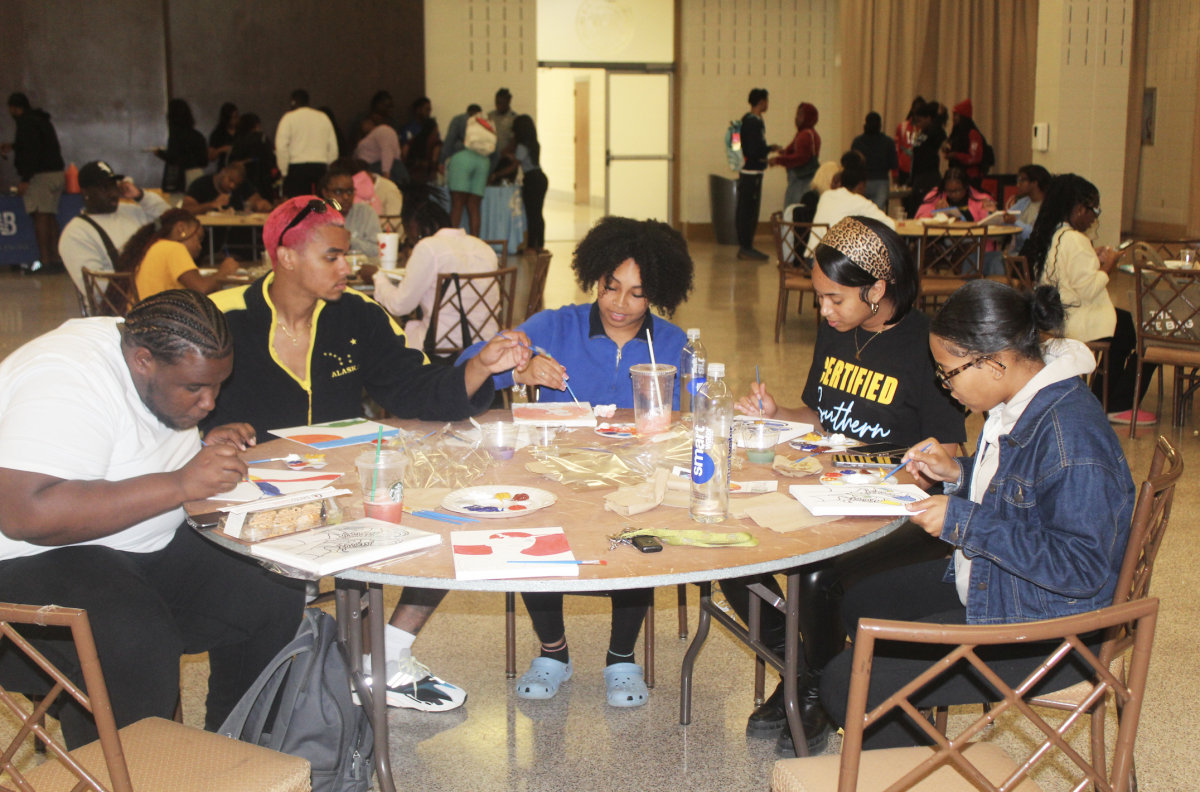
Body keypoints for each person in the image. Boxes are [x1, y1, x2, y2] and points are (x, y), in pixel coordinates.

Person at [204, 198, 529, 711]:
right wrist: (203, 433)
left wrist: (480, 367)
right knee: (253, 639)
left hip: (340, 495)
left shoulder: (356, 316)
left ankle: (388, 655)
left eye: (347, 256)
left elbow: (412, 388)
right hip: (248, 504)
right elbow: (166, 398)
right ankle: (253, 712)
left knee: (449, 521)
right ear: (286, 257)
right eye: (331, 257)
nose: (347, 268)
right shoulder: (221, 318)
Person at [819, 280, 1135, 750]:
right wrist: (958, 473)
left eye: (949, 373)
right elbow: (1023, 489)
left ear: (995, 362)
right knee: (858, 603)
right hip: (1007, 584)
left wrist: (964, 521)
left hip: (1052, 627)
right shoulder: (1024, 398)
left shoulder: (1071, 436)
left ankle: (903, 762)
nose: (946, 387)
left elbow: (1083, 567)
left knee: (848, 682)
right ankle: (905, 751)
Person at [0, 290, 304, 750]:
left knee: (270, 586)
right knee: (133, 637)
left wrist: (201, 446)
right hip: (23, 569)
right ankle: (121, 777)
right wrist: (181, 483)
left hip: (132, 552)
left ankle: (235, 754)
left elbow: (126, 444)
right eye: (194, 389)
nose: (209, 402)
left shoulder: (156, 357)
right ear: (142, 361)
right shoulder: (64, 377)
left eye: (217, 386)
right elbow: (26, 514)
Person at [723, 216, 967, 755]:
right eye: (820, 298)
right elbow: (820, 415)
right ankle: (804, 671)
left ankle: (811, 691)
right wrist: (777, 412)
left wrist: (887, 476)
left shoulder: (928, 348)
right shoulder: (835, 332)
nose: (825, 311)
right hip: (829, 486)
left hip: (902, 505)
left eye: (835, 298)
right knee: (737, 551)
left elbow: (949, 452)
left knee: (814, 573)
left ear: (877, 290)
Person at [458, 216, 694, 707]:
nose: (621, 305)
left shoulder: (671, 343)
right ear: (595, 278)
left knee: (640, 534)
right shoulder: (553, 326)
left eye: (637, 294)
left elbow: (700, 413)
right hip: (553, 474)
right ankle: (553, 652)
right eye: (612, 288)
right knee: (531, 526)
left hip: (633, 476)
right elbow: (468, 370)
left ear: (658, 295)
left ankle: (622, 657)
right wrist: (519, 365)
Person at [1021, 174, 1154, 426]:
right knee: (1141, 332)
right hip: (1076, 319)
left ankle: (1104, 398)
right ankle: (1118, 403)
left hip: (1055, 314)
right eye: (1094, 209)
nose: (1095, 217)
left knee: (1124, 327)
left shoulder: (1054, 233)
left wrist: (1094, 258)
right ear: (1080, 209)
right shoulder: (1077, 239)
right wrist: (1110, 264)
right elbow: (1089, 290)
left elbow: (1066, 271)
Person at [370, 200, 500, 348]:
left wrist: (378, 278)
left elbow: (399, 306)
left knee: (380, 342)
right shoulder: (483, 247)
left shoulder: (428, 247)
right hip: (486, 339)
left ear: (414, 226)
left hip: (442, 343)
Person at [59, 161, 171, 297]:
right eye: (104, 188)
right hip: (121, 306)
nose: (113, 193)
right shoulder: (76, 232)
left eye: (114, 186)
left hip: (155, 294)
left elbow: (172, 219)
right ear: (85, 192)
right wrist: (148, 287)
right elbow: (96, 288)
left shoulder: (132, 211)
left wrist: (141, 196)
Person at [3, 93, 64, 271]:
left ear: (14, 108)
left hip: (41, 176)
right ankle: (57, 259)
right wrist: (14, 146)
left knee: (40, 216)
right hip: (56, 174)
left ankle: (45, 262)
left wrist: (25, 179)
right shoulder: (39, 119)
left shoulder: (25, 123)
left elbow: (32, 152)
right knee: (50, 216)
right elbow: (40, 144)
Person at [119, 209, 239, 299]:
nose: (200, 246)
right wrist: (224, 271)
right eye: (198, 238)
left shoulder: (154, 246)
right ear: (181, 229)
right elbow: (202, 289)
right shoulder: (174, 248)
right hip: (162, 320)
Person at [808, 151, 895, 249]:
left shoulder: (826, 196)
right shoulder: (860, 202)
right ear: (861, 185)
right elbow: (890, 225)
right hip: (832, 262)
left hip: (811, 258)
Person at [736, 88, 779, 260]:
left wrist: (768, 149)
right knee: (749, 211)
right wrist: (767, 151)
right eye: (766, 101)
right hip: (752, 171)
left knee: (745, 209)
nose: (767, 104)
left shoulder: (747, 120)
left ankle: (745, 245)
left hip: (748, 170)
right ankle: (746, 247)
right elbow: (754, 148)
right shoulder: (754, 122)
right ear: (761, 102)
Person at [276, 89, 338, 198]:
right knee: (321, 206)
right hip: (320, 167)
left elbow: (281, 147)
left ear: (293, 102)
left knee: (298, 206)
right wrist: (327, 166)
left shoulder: (288, 118)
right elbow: (333, 147)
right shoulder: (323, 117)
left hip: (296, 168)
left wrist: (284, 171)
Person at [319, 163, 382, 264]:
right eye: (339, 192)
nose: (345, 197)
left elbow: (378, 250)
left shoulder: (366, 213)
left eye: (349, 191)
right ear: (325, 193)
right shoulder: (316, 216)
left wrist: (349, 240)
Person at [447, 109, 493, 236]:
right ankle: (475, 242)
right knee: (474, 207)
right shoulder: (488, 123)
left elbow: (449, 142)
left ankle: (451, 242)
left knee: (457, 206)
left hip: (462, 159)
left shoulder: (461, 120)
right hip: (483, 161)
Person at [770, 102, 821, 209]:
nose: (797, 118)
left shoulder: (804, 135)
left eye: (801, 115)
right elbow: (791, 151)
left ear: (808, 117)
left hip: (801, 180)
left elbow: (800, 158)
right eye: (797, 115)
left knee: (793, 209)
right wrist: (782, 152)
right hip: (806, 178)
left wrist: (778, 160)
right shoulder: (808, 133)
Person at [155, 99, 209, 194]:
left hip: (180, 177)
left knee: (178, 207)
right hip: (197, 174)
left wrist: (159, 153)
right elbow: (204, 161)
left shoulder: (175, 135)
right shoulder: (198, 135)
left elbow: (172, 157)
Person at [903, 101, 946, 218]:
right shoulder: (923, 133)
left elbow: (937, 132)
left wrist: (939, 117)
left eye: (920, 121)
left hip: (928, 176)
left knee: (923, 209)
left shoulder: (934, 132)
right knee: (914, 208)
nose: (918, 124)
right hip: (919, 177)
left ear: (929, 118)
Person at [183, 161, 272, 215]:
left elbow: (257, 201)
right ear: (223, 171)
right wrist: (211, 205)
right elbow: (186, 210)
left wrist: (261, 205)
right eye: (230, 180)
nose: (232, 186)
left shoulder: (244, 185)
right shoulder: (201, 184)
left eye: (237, 184)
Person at [513, 115, 547, 252]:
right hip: (541, 177)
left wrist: (496, 174)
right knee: (538, 213)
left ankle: (531, 246)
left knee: (531, 214)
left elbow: (515, 164)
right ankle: (540, 245)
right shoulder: (534, 143)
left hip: (531, 179)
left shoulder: (522, 146)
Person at [852, 112, 899, 210]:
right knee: (876, 214)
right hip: (881, 181)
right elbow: (894, 164)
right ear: (880, 125)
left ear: (865, 125)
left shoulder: (857, 142)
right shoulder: (888, 142)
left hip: (862, 182)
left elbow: (852, 165)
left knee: (861, 212)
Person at [915, 166, 996, 222]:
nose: (953, 195)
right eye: (949, 191)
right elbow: (919, 220)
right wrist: (934, 213)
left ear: (966, 187)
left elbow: (990, 228)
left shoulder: (982, 199)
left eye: (957, 191)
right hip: (942, 242)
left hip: (973, 242)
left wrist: (990, 213)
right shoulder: (935, 195)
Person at [228, 113, 276, 200]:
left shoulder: (236, 140)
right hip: (261, 181)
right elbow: (271, 158)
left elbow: (229, 161)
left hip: (240, 181)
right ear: (256, 125)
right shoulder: (262, 138)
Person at [942, 99, 988, 185]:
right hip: (958, 177)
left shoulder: (973, 134)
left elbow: (974, 158)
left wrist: (955, 155)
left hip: (970, 178)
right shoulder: (956, 133)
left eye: (956, 115)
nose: (953, 118)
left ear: (963, 117)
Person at [1005, 164, 1050, 251]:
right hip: (1016, 250)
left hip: (1030, 255)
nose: (1018, 184)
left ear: (1034, 183)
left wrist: (1015, 222)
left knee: (994, 262)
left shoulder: (1046, 206)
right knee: (975, 258)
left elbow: (1033, 234)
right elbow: (1007, 217)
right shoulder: (1024, 202)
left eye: (1022, 180)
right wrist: (994, 212)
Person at [400, 97, 441, 185]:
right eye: (426, 110)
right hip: (412, 170)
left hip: (427, 172)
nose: (429, 113)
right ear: (418, 110)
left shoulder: (432, 127)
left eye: (430, 110)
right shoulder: (408, 128)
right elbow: (404, 151)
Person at [354, 114, 403, 184]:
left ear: (369, 122)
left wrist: (386, 173)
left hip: (383, 169)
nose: (361, 127)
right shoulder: (371, 135)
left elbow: (387, 150)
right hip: (371, 170)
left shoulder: (383, 130)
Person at [440, 103, 481, 171]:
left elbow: (449, 141)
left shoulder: (458, 120)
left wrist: (442, 161)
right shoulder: (485, 122)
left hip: (458, 156)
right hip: (478, 160)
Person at [893, 96, 925, 187]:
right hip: (904, 171)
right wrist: (895, 173)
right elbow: (896, 151)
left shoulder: (926, 129)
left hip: (921, 171)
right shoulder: (902, 127)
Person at [487, 88, 517, 161]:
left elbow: (515, 140)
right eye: (497, 103)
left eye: (501, 103)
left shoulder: (514, 119)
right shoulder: (490, 117)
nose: (499, 106)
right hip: (491, 157)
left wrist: (504, 153)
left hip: (506, 158)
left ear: (508, 101)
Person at [209, 102, 239, 170]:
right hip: (224, 168)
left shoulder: (242, 131)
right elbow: (210, 157)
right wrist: (221, 149)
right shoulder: (218, 134)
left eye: (236, 117)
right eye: (232, 118)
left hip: (239, 167)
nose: (234, 120)